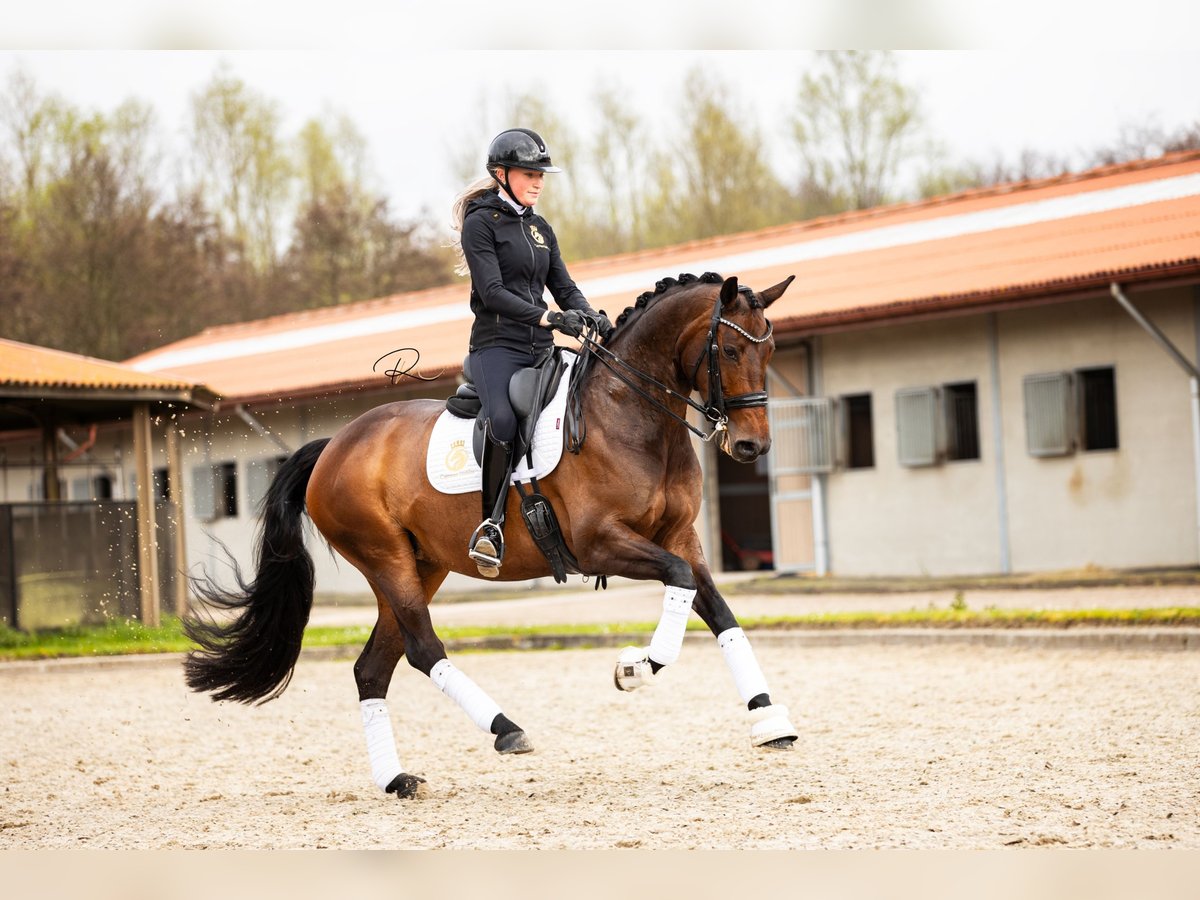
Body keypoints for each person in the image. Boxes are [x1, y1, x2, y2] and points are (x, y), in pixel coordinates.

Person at [450, 127, 612, 577]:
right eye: (529, 173)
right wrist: (548, 318)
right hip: (497, 348)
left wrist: (589, 314)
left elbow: (562, 286)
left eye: (542, 174)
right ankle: (491, 524)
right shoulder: (481, 223)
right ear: (500, 174)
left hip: (541, 349)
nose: (539, 181)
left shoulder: (539, 227)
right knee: (503, 421)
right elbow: (494, 292)